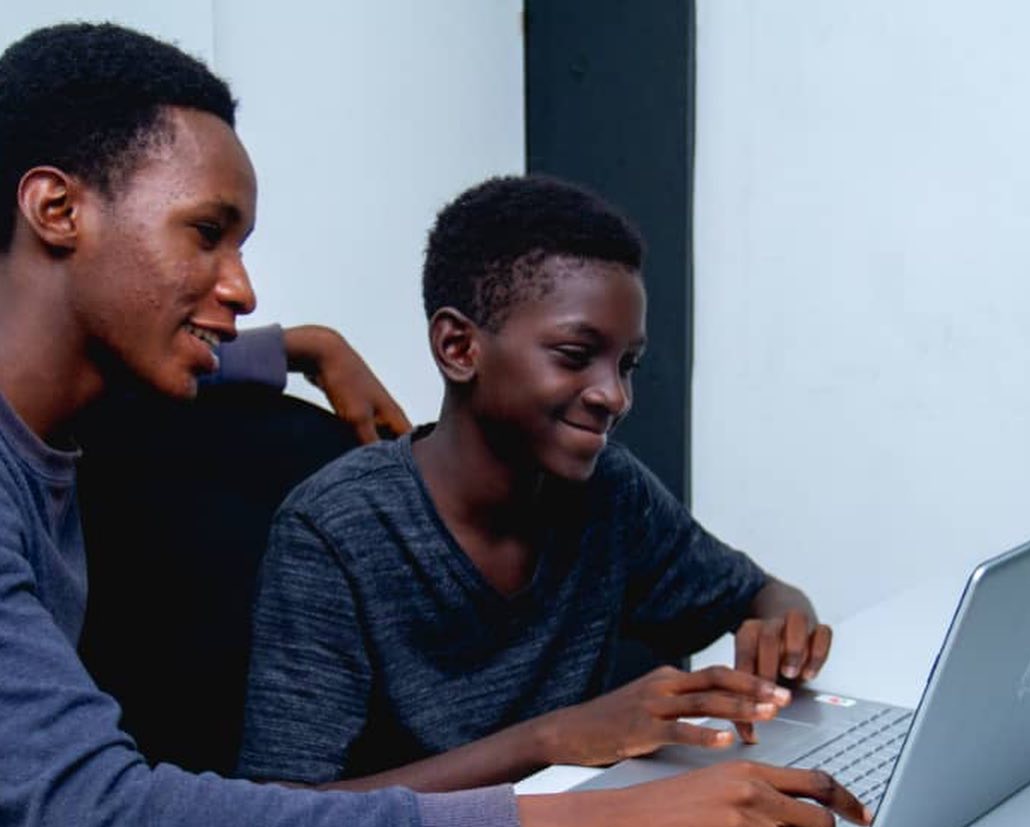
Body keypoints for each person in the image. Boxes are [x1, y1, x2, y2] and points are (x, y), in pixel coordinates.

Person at [0, 21, 866, 827]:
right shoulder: (332, 522)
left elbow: (160, 339)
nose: (241, 286)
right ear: (56, 209)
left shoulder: (67, 417)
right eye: (206, 233)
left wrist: (302, 348)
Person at [239, 175, 837, 793]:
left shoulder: (611, 490)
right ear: (458, 347)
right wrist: (551, 739)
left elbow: (760, 594)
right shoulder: (334, 531)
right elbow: (284, 816)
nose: (615, 396)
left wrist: (782, 626)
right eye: (575, 355)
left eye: (627, 364)